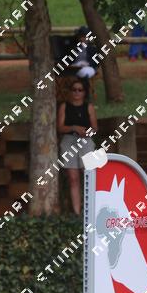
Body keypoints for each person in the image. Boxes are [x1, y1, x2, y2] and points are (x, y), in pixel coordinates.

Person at [57, 79, 98, 215]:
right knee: (73, 178)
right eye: (74, 89)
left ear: (84, 93)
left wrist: (87, 132)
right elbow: (60, 127)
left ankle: (90, 209)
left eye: (80, 90)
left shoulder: (89, 107)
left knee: (88, 175)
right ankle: (77, 212)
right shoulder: (64, 107)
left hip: (86, 141)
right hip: (69, 140)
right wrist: (74, 128)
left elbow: (95, 128)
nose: (76, 93)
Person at [67, 26, 99, 95]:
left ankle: (85, 92)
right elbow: (69, 59)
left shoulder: (92, 48)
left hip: (89, 67)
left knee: (84, 72)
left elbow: (96, 61)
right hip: (75, 67)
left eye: (85, 37)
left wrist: (88, 64)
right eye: (81, 37)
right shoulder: (74, 48)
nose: (83, 39)